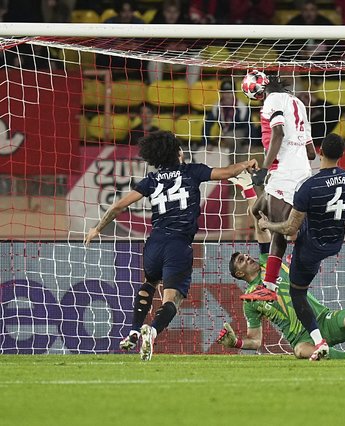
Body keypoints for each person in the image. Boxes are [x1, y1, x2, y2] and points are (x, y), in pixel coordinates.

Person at [83, 130, 258, 361]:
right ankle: (152, 332)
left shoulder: (151, 180)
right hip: (178, 245)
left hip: (154, 244)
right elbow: (227, 173)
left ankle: (134, 330)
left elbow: (117, 206)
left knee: (149, 281)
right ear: (177, 153)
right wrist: (247, 162)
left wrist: (97, 228)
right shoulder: (192, 171)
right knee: (172, 299)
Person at [257, 133, 345, 360]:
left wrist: (266, 224)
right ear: (342, 155)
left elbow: (289, 228)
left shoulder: (308, 186)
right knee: (300, 223)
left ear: (319, 153)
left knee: (297, 294)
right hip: (335, 242)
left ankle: (319, 342)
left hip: (311, 247)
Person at [220, 240, 345, 360]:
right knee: (300, 352)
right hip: (301, 338)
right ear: (240, 273)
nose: (247, 257)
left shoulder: (269, 263)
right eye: (242, 261)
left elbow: (262, 234)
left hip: (323, 319)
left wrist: (252, 192)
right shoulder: (250, 301)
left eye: (246, 255)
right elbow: (255, 340)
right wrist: (236, 343)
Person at [241, 72, 316, 302]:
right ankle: (273, 281)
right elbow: (311, 151)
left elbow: (278, 133)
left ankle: (270, 286)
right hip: (302, 170)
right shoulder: (298, 103)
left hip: (285, 171)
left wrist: (264, 169)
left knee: (281, 229)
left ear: (258, 94)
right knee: (257, 211)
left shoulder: (272, 100)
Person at [203, 79, 251, 151]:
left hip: (241, 133)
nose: (227, 95)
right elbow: (207, 125)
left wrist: (248, 143)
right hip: (225, 134)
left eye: (230, 92)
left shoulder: (242, 107)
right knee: (228, 138)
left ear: (234, 93)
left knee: (230, 137)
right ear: (221, 94)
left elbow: (250, 127)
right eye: (225, 92)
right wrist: (207, 143)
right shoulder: (217, 107)